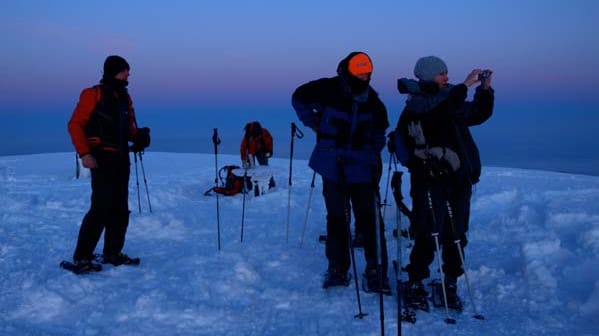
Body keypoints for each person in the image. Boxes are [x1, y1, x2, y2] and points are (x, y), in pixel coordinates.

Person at [393, 56, 494, 310]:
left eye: (446, 72)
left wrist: (484, 90)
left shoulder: (451, 99)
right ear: (428, 77)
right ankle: (416, 278)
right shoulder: (417, 104)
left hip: (458, 177)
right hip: (428, 179)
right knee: (428, 230)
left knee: (456, 231)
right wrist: (463, 87)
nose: (446, 77)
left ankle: (450, 279)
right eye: (441, 73)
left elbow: (478, 114)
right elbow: (435, 114)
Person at [292, 51, 390, 293]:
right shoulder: (327, 89)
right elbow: (298, 98)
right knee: (337, 217)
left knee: (369, 218)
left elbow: (380, 132)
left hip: (362, 168)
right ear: (348, 70)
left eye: (367, 72)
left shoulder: (373, 101)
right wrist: (315, 124)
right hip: (333, 165)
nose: (365, 76)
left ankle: (376, 269)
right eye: (360, 71)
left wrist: (370, 154)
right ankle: (338, 268)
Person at [66, 55, 150, 273]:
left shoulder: (125, 97)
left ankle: (112, 252)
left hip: (121, 158)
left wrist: (139, 136)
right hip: (101, 158)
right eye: (125, 70)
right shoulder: (92, 94)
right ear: (114, 71)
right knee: (100, 207)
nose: (129, 74)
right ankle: (82, 257)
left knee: (120, 208)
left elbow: (128, 129)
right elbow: (75, 125)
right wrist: (84, 153)